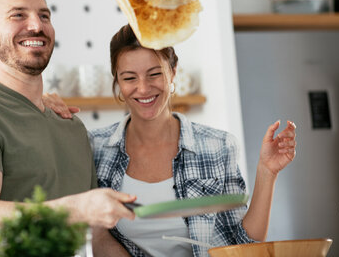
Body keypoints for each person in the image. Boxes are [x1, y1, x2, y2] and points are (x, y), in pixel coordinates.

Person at [47, 24, 297, 257]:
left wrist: (267, 172)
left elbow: (244, 243)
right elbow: (90, 235)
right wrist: (40, 107)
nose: (143, 89)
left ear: (172, 72)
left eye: (154, 74)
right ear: (118, 82)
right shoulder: (94, 148)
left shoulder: (218, 145)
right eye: (129, 78)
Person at [0, 0, 137, 229]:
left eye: (44, 15)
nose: (36, 26)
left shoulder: (71, 126)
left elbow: (95, 236)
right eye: (18, 15)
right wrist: (76, 208)